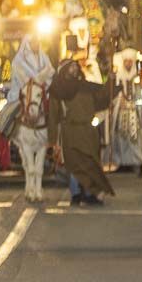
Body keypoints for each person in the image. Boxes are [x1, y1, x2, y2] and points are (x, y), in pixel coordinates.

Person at [49, 42, 116, 206]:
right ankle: (77, 194)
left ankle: (91, 193)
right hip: (70, 131)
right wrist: (52, 141)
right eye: (70, 68)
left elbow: (102, 99)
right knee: (74, 164)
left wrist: (110, 82)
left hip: (88, 131)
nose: (74, 70)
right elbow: (53, 116)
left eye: (75, 67)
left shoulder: (86, 87)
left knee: (90, 163)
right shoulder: (58, 90)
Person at [7, 37, 55, 203]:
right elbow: (18, 74)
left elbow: (50, 72)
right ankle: (9, 130)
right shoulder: (19, 60)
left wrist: (42, 80)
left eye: (37, 42)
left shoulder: (44, 57)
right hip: (24, 92)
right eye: (32, 42)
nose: (35, 44)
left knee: (54, 108)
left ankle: (56, 136)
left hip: (41, 92)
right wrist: (30, 82)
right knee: (12, 110)